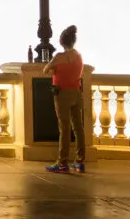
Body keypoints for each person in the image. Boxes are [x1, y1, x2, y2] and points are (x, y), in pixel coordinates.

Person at [44, 25, 85, 173]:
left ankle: (62, 163)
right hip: (76, 93)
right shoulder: (79, 56)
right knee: (78, 127)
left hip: (62, 95)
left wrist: (54, 69)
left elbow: (45, 69)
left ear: (62, 42)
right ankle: (79, 162)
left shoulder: (58, 57)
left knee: (65, 128)